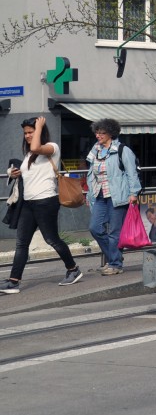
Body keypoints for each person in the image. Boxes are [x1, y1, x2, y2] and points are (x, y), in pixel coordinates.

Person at [2, 116, 83, 294]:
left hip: (46, 202)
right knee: (22, 243)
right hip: (28, 203)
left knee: (52, 239)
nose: (28, 136)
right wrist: (15, 174)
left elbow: (37, 146)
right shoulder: (29, 155)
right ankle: (14, 282)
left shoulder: (52, 148)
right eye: (25, 133)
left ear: (39, 131)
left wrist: (39, 126)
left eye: (30, 132)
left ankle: (73, 269)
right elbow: (28, 172)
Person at [85, 117, 142, 277]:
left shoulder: (122, 150)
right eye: (97, 132)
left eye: (102, 133)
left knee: (114, 232)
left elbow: (132, 173)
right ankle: (114, 257)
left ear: (111, 133)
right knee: (95, 228)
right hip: (100, 195)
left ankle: (115, 264)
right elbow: (91, 174)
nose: (98, 135)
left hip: (119, 195)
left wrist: (134, 193)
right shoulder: (95, 150)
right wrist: (90, 194)